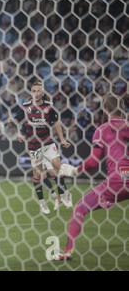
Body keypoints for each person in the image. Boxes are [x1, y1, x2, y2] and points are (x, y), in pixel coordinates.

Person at [56, 95, 128, 260]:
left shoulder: (103, 129)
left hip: (116, 181)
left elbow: (93, 161)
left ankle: (67, 251)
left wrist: (74, 171)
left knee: (80, 208)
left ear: (105, 109)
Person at [13, 80, 72, 214]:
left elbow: (56, 123)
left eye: (39, 90)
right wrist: (19, 134)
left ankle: (64, 193)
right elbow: (17, 121)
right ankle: (42, 202)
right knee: (38, 174)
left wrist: (62, 139)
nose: (36, 93)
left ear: (43, 92)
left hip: (47, 142)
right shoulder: (25, 106)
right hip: (34, 145)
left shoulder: (49, 107)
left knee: (57, 166)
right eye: (34, 91)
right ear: (31, 92)